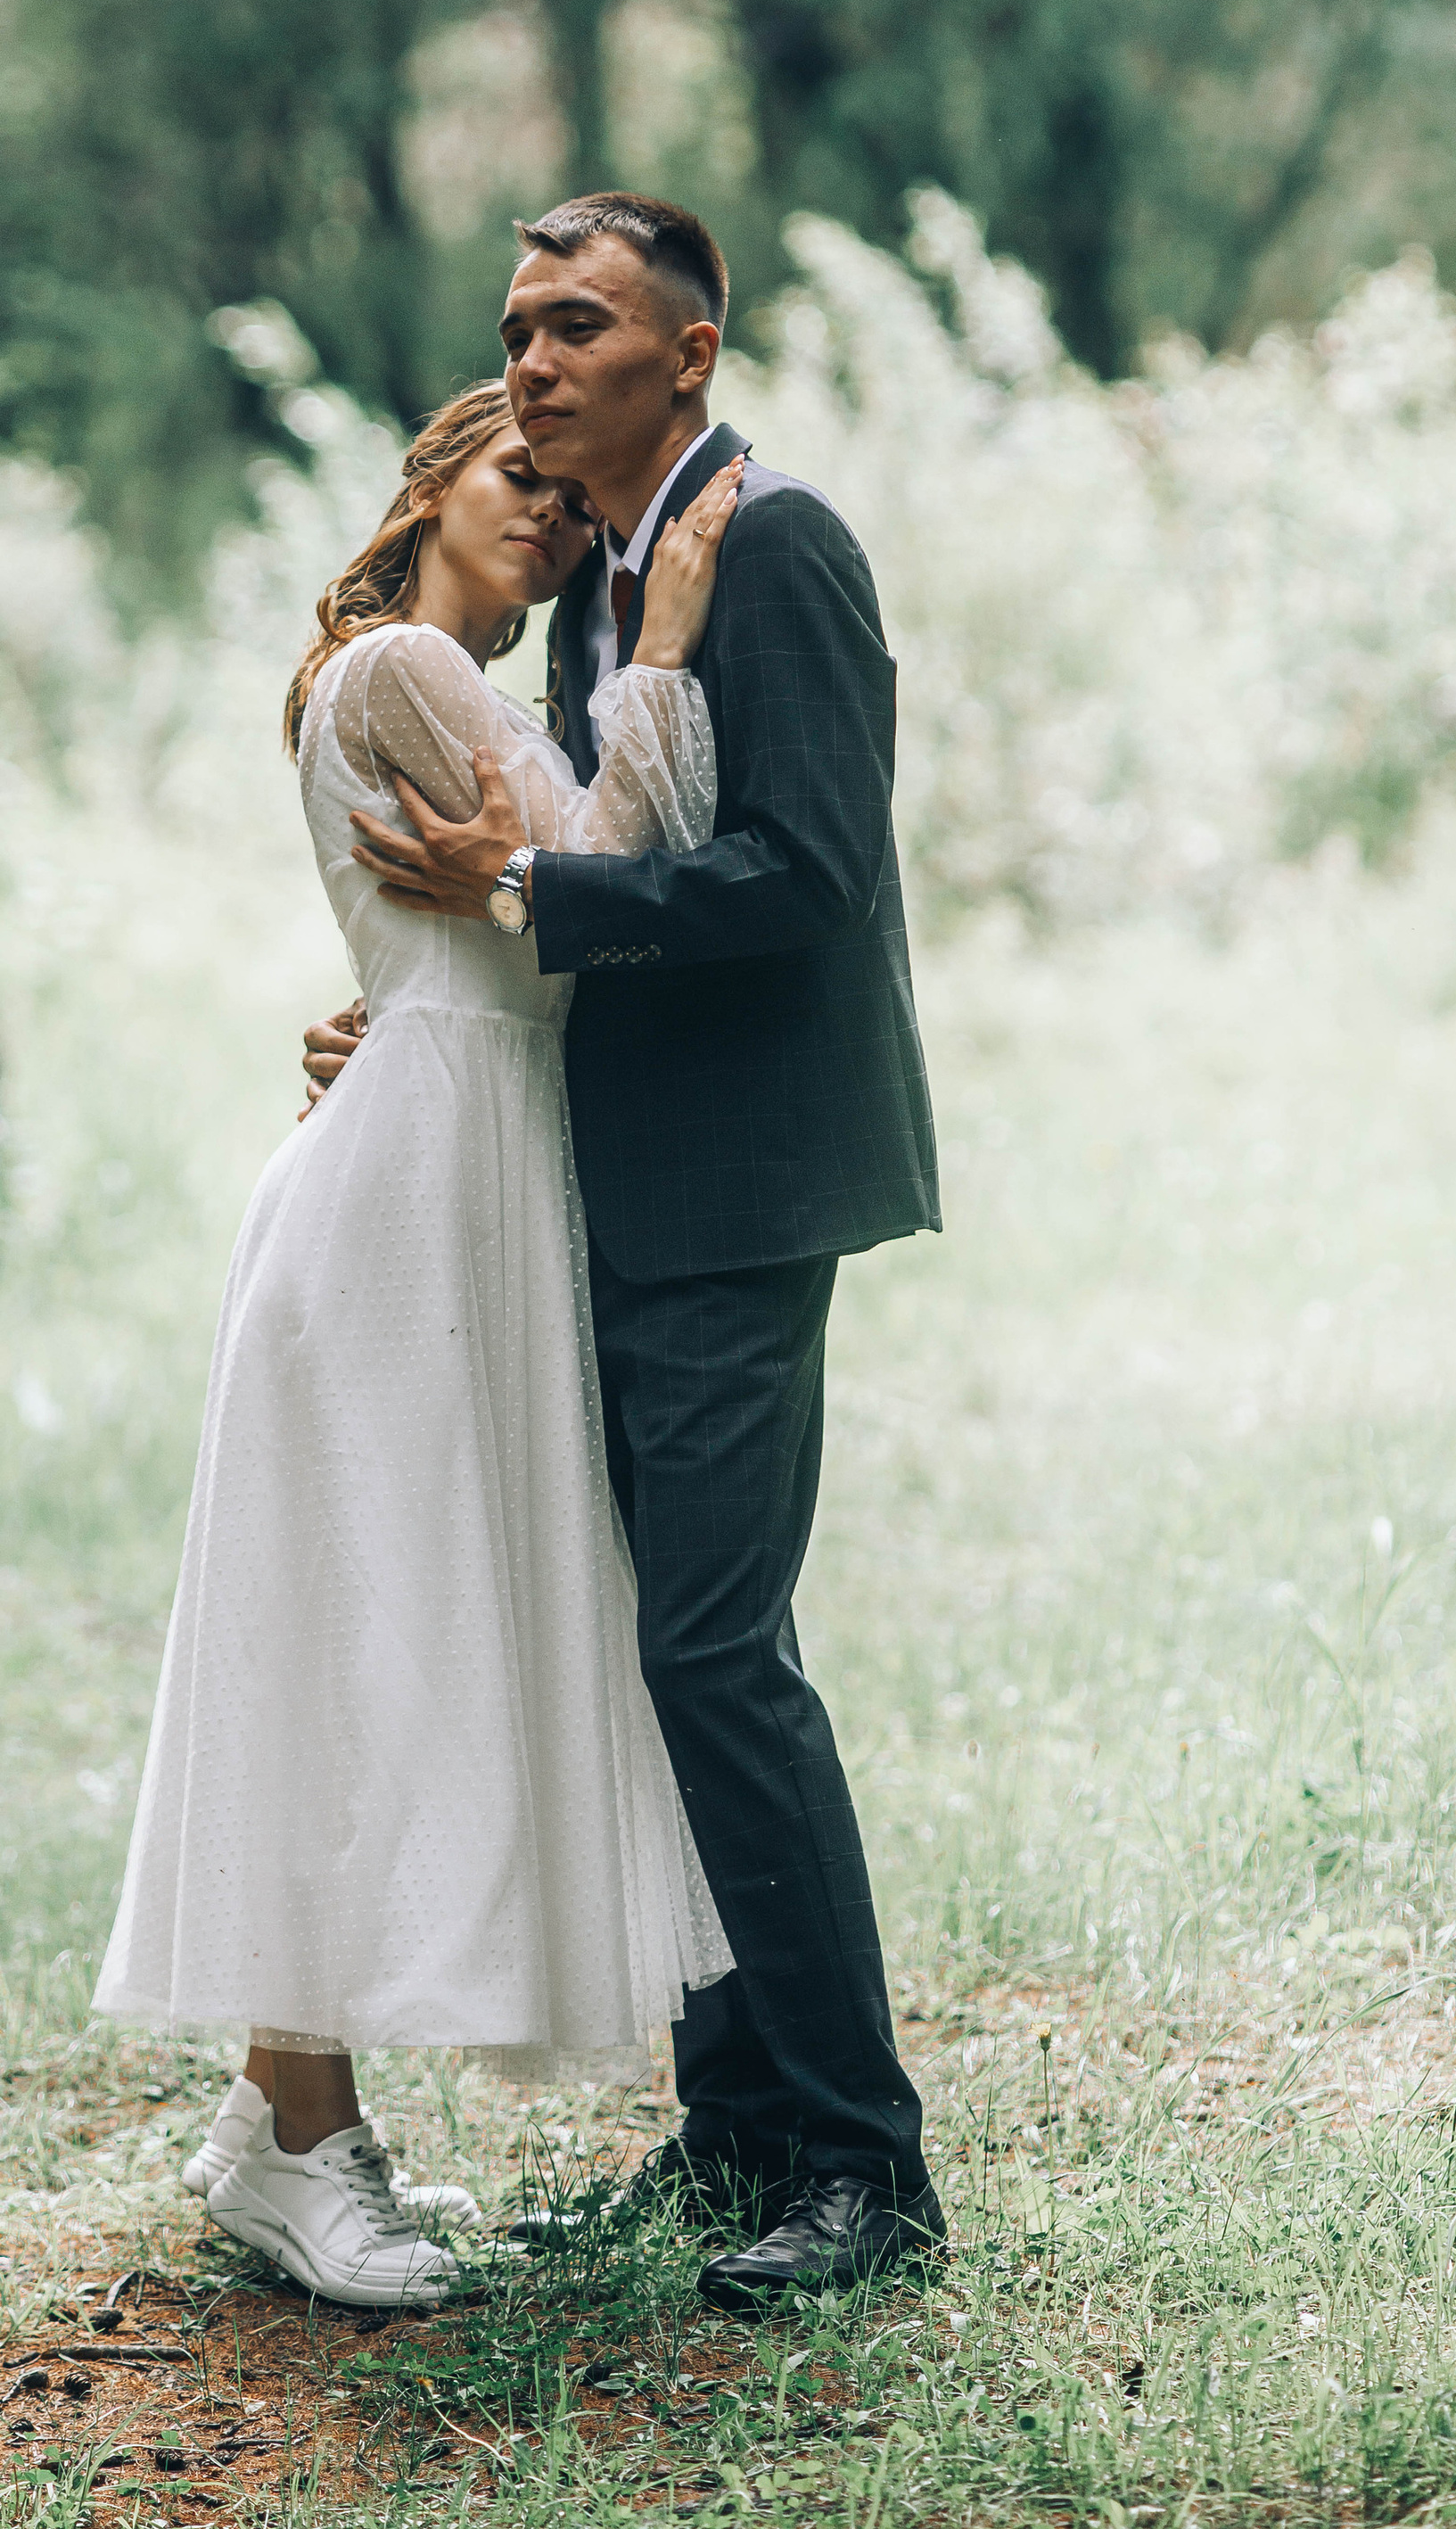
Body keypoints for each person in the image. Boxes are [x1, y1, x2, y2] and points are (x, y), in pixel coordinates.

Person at [307, 192, 945, 2311]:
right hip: (597, 1187)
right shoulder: (595, 582)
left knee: (711, 1659)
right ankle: (730, 2139)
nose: (536, 357)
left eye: (578, 322)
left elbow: (807, 872)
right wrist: (414, 1000)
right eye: (513, 326)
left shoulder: (771, 544)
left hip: (740, 1196)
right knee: (652, 1660)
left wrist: (532, 907)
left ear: (691, 344)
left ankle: (858, 2165)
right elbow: (582, 842)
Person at [93, 380, 745, 2310]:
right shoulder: (399, 666)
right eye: (514, 476)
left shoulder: (475, 692)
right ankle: (299, 2142)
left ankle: (273, 2124)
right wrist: (674, 645)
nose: (547, 510)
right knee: (343, 1641)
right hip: (394, 1213)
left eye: (566, 495)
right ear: (429, 483)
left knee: (390, 1636)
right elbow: (611, 873)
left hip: (465, 1177)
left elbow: (530, 916)